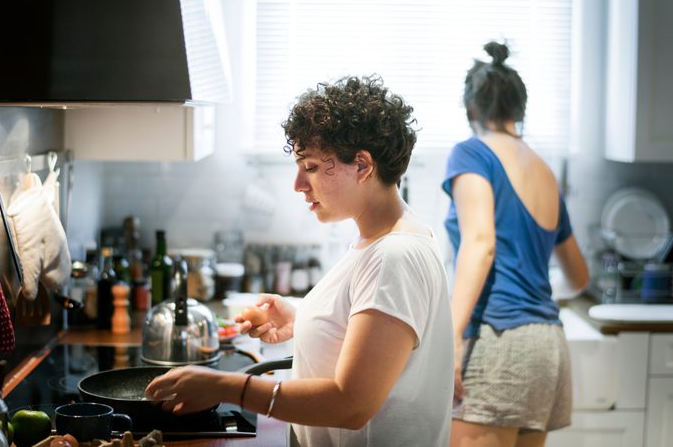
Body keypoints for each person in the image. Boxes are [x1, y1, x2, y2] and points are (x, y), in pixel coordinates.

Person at [146, 75, 454, 446]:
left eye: (309, 166)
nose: (298, 184)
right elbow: (370, 331)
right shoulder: (385, 238)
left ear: (362, 166)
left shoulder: (394, 256)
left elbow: (351, 404)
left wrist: (226, 386)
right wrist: (303, 316)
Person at [442, 42, 589, 447]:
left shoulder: (471, 153)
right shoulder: (543, 170)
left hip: (499, 340)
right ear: (519, 110)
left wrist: (451, 340)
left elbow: (480, 243)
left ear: (472, 110)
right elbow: (579, 276)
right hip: (548, 347)